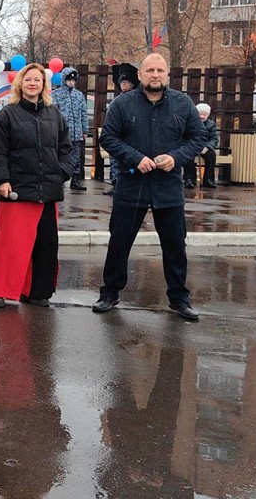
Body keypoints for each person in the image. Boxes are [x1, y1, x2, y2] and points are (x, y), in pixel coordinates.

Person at [93, 53, 206, 321]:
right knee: (119, 242)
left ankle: (179, 298)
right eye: (150, 70)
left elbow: (198, 136)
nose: (155, 74)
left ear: (167, 74)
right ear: (141, 75)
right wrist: (135, 158)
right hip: (132, 185)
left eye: (160, 70)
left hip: (168, 188)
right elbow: (108, 137)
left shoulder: (182, 103)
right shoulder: (122, 104)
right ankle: (110, 292)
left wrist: (176, 157)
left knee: (175, 245)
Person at [0, 63, 71, 309]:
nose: (33, 83)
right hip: (17, 191)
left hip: (48, 190)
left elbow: (66, 149)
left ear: (44, 85)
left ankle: (36, 291)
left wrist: (62, 171)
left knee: (45, 246)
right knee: (11, 246)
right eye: (28, 79)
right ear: (20, 83)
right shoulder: (8, 114)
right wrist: (1, 180)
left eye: (37, 80)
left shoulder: (54, 114)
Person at [52, 66, 88, 191]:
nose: (71, 82)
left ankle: (75, 180)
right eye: (69, 80)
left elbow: (83, 113)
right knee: (59, 156)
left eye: (73, 80)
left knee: (76, 158)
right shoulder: (56, 94)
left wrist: (84, 130)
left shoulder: (79, 95)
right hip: (61, 134)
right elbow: (53, 114)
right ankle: (59, 180)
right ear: (64, 80)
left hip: (76, 133)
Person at [103, 74, 136, 196]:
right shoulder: (117, 100)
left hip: (130, 135)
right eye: (122, 83)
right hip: (117, 135)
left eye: (126, 82)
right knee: (115, 162)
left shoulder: (136, 99)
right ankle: (115, 184)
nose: (124, 85)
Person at [183, 102, 218, 189]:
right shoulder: (190, 123)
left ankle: (208, 180)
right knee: (188, 157)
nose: (202, 116)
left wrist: (207, 147)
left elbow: (214, 139)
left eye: (204, 114)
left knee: (211, 155)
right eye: (200, 114)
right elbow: (185, 137)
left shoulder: (211, 124)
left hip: (205, 147)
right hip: (192, 146)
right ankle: (189, 179)